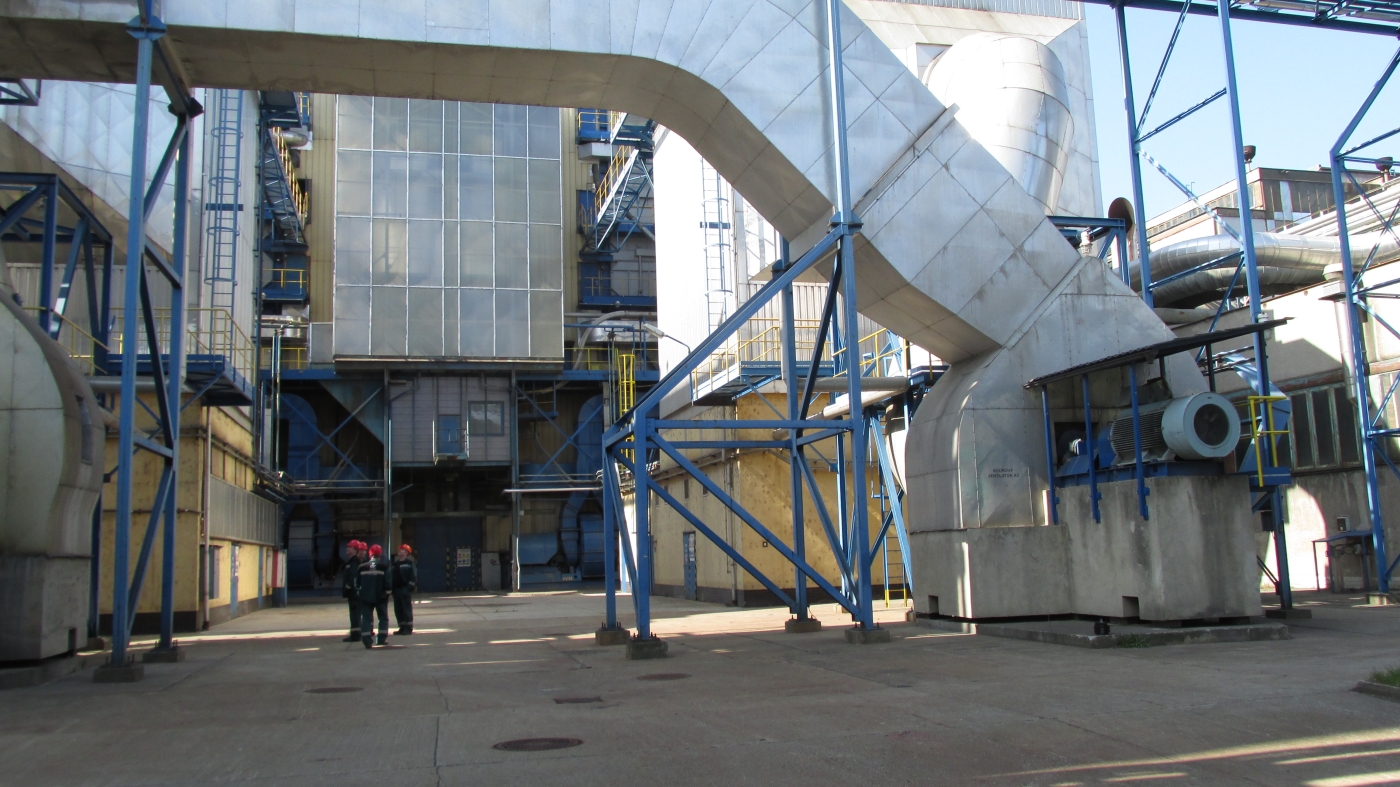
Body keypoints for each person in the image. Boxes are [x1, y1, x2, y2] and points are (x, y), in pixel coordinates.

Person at [356, 544, 393, 648]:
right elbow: (388, 584)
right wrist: (387, 594)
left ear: (370, 554)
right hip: (380, 598)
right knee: (383, 618)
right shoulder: (383, 567)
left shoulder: (362, 567)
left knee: (366, 619)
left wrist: (361, 593)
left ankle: (367, 641)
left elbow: (357, 583)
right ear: (380, 555)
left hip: (365, 598)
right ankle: (381, 639)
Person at [391, 545, 417, 635]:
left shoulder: (410, 563)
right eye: (400, 550)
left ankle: (408, 628)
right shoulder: (395, 564)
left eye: (403, 550)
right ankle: (402, 627)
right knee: (398, 609)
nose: (400, 551)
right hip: (396, 590)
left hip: (405, 589)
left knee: (406, 609)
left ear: (406, 553)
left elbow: (413, 576)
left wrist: (409, 588)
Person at [340, 540, 363, 642]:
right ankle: (355, 633)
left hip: (354, 594)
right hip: (354, 593)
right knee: (354, 614)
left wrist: (348, 587)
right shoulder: (352, 562)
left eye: (349, 547)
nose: (347, 549)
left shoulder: (354, 562)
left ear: (355, 550)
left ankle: (355, 635)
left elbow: (353, 577)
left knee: (355, 614)